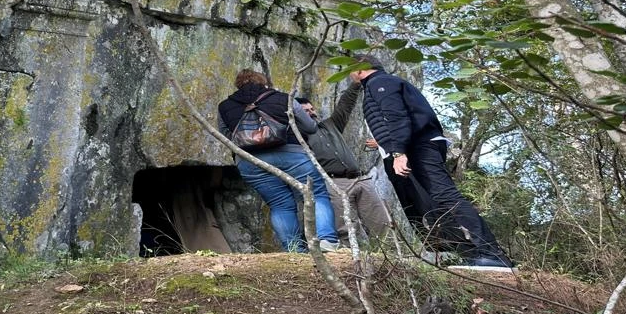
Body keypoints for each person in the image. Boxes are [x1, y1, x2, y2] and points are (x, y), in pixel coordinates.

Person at [349, 53, 513, 269]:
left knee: (445, 196)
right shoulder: (378, 85)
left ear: (360, 68)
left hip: (417, 147)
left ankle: (491, 253)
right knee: (429, 204)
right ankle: (470, 253)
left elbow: (395, 117)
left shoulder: (381, 82)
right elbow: (393, 120)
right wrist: (382, 143)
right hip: (415, 146)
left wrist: (398, 152)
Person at [218, 69, 342, 253]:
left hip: (250, 161)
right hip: (291, 153)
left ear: (238, 84)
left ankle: (294, 250)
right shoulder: (283, 98)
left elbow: (226, 136)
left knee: (279, 203)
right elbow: (310, 127)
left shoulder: (224, 106)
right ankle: (326, 241)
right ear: (263, 82)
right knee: (316, 195)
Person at [297, 85, 392, 244]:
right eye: (305, 111)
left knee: (381, 221)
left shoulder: (331, 124)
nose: (312, 112)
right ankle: (350, 262)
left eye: (312, 109)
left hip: (361, 179)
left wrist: (356, 84)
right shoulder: (297, 136)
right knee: (344, 228)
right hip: (334, 183)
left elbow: (345, 105)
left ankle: (389, 258)